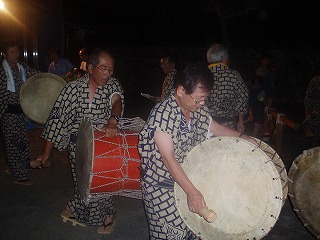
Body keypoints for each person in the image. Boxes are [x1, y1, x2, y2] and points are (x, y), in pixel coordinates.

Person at [138, 63, 256, 239]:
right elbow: (168, 158)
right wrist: (192, 192)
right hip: (162, 186)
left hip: (188, 178)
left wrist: (242, 136)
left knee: (192, 230)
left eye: (205, 99)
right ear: (180, 91)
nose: (202, 103)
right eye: (198, 99)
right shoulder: (162, 115)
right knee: (170, 234)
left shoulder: (196, 108)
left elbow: (214, 127)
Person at [33, 48, 124, 234]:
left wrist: (113, 120)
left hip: (102, 145)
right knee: (82, 183)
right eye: (104, 68)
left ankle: (108, 215)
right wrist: (45, 153)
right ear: (90, 68)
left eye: (111, 69)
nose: (108, 74)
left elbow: (117, 101)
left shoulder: (112, 85)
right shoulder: (72, 89)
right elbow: (56, 120)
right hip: (77, 147)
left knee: (101, 183)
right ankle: (79, 208)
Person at [0, 40, 41, 185]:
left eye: (17, 51)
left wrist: (51, 79)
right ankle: (19, 175)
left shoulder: (22, 67)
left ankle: (18, 168)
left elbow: (36, 76)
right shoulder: (1, 72)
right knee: (12, 143)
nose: (15, 54)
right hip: (8, 114)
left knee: (22, 142)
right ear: (4, 54)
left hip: (20, 114)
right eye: (12, 52)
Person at [206, 43, 249, 132]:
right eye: (227, 57)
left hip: (206, 124)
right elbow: (243, 96)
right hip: (227, 125)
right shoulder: (233, 75)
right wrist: (240, 121)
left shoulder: (202, 75)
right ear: (223, 58)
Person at [303, 75, 320, 139]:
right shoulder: (315, 80)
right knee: (313, 135)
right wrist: (309, 109)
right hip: (314, 109)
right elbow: (308, 97)